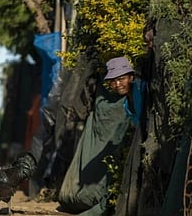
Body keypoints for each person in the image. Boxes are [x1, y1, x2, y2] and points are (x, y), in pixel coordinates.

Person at [57, 56, 146, 215]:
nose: (118, 84)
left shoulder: (141, 91)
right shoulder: (127, 102)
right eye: (114, 81)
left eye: (122, 79)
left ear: (131, 77)